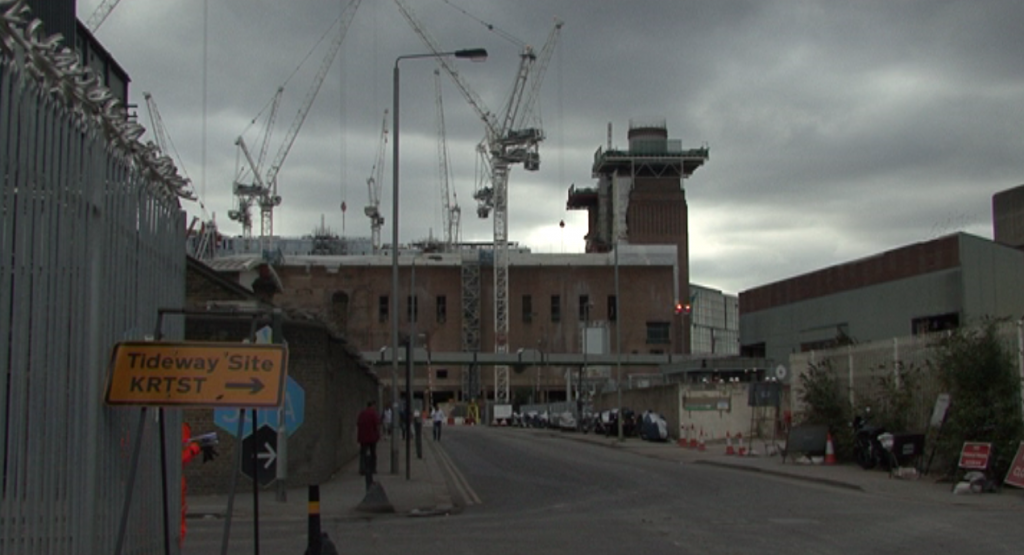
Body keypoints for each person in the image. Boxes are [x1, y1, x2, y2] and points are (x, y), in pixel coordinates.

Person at [357, 400, 381, 491]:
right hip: (371, 437)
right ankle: (372, 468)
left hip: (363, 437)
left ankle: (362, 468)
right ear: (372, 406)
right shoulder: (373, 414)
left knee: (363, 453)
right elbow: (377, 425)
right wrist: (377, 435)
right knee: (373, 453)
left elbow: (358, 423)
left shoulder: (362, 413)